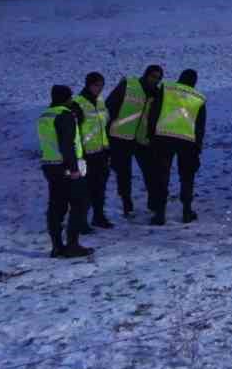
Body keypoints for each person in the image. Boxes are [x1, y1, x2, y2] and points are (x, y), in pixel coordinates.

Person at [38, 84, 93, 259]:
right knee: (79, 204)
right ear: (67, 98)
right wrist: (74, 169)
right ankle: (73, 245)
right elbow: (67, 144)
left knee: (56, 206)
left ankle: (56, 247)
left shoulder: (45, 115)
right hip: (66, 167)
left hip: (49, 165)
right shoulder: (65, 115)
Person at [150, 68, 207, 225]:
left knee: (162, 177)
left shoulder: (167, 89)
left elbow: (154, 112)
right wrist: (198, 146)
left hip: (164, 138)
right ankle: (187, 211)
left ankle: (160, 214)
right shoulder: (199, 98)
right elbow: (200, 126)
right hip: (188, 141)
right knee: (187, 178)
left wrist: (152, 135)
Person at [105, 65, 163, 218]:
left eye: (158, 78)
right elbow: (110, 105)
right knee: (124, 174)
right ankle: (127, 204)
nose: (155, 80)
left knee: (151, 172)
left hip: (142, 139)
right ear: (146, 75)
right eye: (153, 76)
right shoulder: (129, 85)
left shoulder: (157, 94)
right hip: (120, 137)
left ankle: (153, 203)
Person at [71, 72, 114, 230]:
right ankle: (81, 221)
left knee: (100, 187)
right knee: (85, 190)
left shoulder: (101, 101)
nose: (99, 89)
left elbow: (105, 124)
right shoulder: (77, 103)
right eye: (96, 85)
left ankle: (98, 216)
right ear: (88, 85)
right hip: (86, 154)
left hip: (101, 152)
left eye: (102, 85)